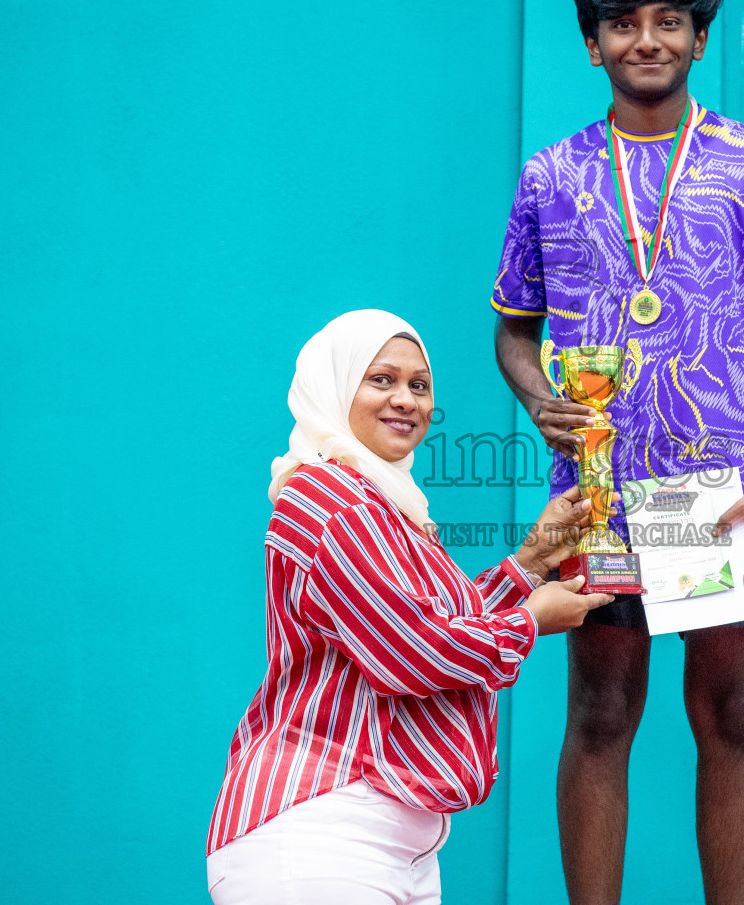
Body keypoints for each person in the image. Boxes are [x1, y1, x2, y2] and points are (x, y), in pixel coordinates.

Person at [490, 0, 744, 905]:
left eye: (668, 21)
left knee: (730, 720)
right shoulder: (550, 176)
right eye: (623, 23)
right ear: (593, 46)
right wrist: (534, 393)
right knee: (599, 715)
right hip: (599, 500)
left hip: (725, 497)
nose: (648, 38)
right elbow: (515, 332)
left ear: (699, 37)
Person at [206, 309, 613, 905]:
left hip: (390, 843)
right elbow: (411, 654)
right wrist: (531, 620)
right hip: (321, 830)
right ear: (336, 387)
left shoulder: (382, 501)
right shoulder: (330, 500)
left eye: (419, 386)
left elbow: (423, 625)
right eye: (381, 380)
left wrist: (529, 562)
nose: (406, 401)